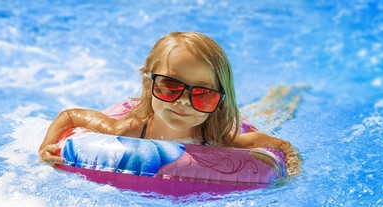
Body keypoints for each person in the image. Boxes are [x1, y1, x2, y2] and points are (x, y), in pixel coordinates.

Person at [39, 31, 301, 175]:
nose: (184, 102)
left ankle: (286, 94)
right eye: (170, 86)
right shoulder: (129, 129)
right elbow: (71, 116)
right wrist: (47, 145)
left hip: (231, 124)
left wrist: (290, 161)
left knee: (274, 113)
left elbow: (271, 143)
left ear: (219, 100)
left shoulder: (219, 138)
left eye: (202, 94)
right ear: (148, 84)